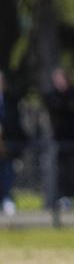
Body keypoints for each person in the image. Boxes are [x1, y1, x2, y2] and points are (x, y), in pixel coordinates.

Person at [43, 67, 74, 210]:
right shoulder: (52, 96)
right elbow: (57, 111)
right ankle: (65, 197)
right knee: (61, 169)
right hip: (59, 138)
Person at [0, 70, 25, 215]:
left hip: (7, 145)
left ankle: (7, 199)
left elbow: (15, 122)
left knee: (7, 173)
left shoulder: (11, 100)